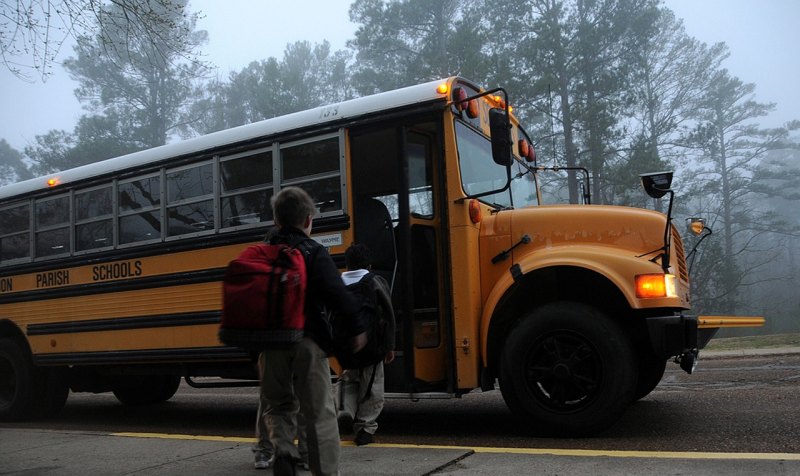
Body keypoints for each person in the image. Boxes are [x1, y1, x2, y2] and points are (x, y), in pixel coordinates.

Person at [259, 186, 367, 476]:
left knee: (278, 406)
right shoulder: (313, 251)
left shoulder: (263, 253)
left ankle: (283, 450)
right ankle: (325, 472)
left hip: (270, 345)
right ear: (308, 219)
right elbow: (338, 295)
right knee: (319, 413)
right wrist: (357, 329)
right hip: (307, 341)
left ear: (276, 220)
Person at [336, 243, 396, 446]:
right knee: (372, 386)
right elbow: (388, 315)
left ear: (347, 264)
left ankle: (345, 411)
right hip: (373, 347)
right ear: (369, 265)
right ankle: (365, 428)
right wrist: (389, 346)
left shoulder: (337, 283)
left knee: (349, 381)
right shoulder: (375, 282)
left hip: (347, 348)